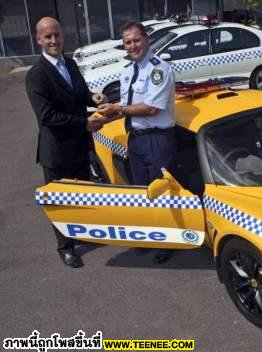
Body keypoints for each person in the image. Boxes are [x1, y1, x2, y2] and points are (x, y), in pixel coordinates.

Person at [26, 17, 107, 268]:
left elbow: (80, 93)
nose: (53, 40)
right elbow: (47, 116)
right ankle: (66, 248)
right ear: (38, 39)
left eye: (57, 35)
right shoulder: (36, 75)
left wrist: (94, 97)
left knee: (82, 194)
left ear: (62, 36)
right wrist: (85, 123)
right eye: (47, 36)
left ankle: (82, 233)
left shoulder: (69, 63)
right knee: (61, 201)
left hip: (80, 147)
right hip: (57, 151)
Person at [97, 21, 176, 263]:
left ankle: (167, 242)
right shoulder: (127, 71)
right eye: (128, 42)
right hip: (136, 140)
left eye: (136, 40)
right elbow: (127, 105)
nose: (133, 46)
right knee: (140, 192)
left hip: (157, 139)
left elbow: (152, 109)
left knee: (160, 195)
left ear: (146, 40)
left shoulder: (159, 69)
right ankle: (148, 237)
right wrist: (107, 106)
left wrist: (118, 109)